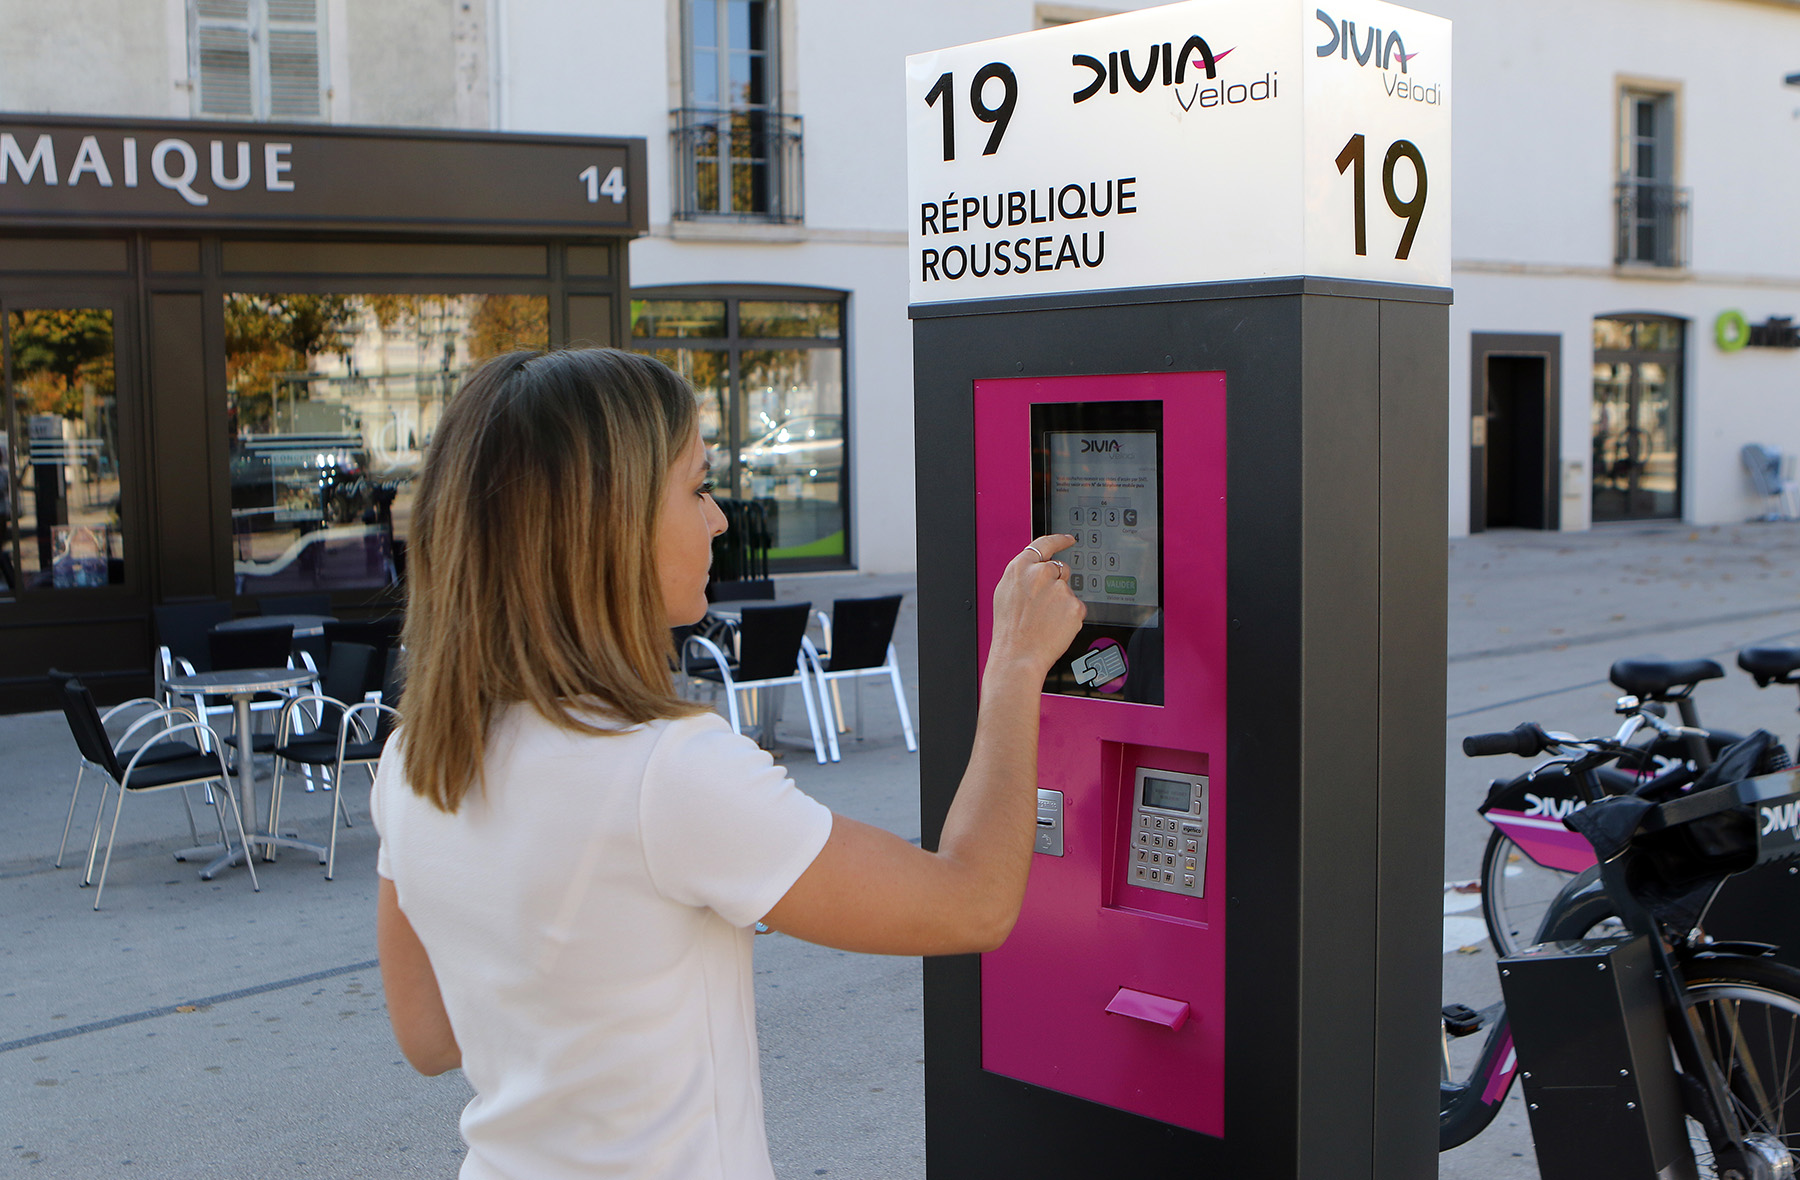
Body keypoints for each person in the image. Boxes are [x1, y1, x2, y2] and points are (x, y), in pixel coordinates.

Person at [373, 348, 1084, 1180]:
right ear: (608, 525)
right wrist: (1017, 665)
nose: (717, 520)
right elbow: (972, 904)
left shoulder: (414, 756)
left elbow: (428, 1038)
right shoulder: (665, 768)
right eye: (697, 487)